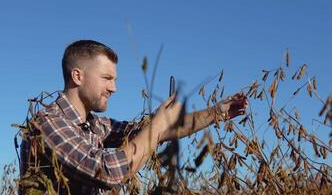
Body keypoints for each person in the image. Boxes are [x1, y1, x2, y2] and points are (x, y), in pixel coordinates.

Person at [19, 40, 248, 194]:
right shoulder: (48, 123)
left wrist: (217, 112)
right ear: (77, 76)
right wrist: (157, 125)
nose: (114, 88)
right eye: (107, 78)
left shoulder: (96, 125)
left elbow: (153, 132)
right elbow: (108, 172)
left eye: (115, 79)